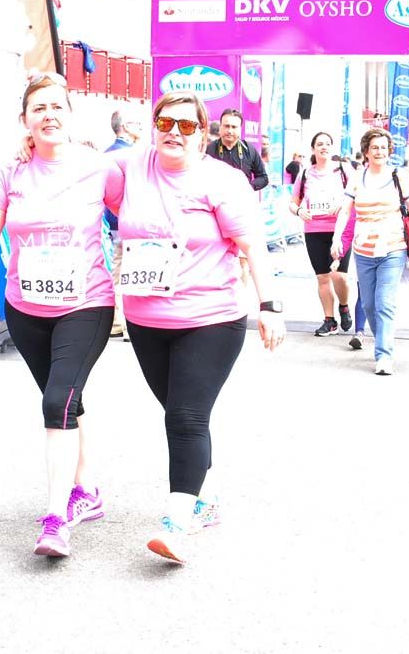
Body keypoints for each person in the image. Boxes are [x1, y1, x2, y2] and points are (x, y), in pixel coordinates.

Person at [0, 71, 124, 558]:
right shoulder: (10, 172)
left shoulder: (100, 168)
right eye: (38, 108)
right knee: (63, 402)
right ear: (25, 120)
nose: (48, 115)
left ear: (70, 115)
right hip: (25, 307)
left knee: (56, 400)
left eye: (57, 106)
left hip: (86, 304)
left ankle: (57, 518)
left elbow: (138, 219)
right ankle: (88, 491)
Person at [110, 90, 285, 564]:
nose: (174, 132)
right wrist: (30, 148)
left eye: (187, 126)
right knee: (180, 413)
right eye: (166, 123)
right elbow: (75, 171)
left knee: (185, 417)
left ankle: (176, 522)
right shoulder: (131, 167)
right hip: (147, 319)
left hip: (211, 318)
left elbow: (253, 246)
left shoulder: (223, 181)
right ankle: (203, 500)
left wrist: (269, 305)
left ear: (203, 134)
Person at [330, 128, 409, 375]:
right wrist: (336, 239)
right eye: (375, 147)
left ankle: (384, 354)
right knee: (370, 306)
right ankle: (381, 337)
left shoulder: (399, 175)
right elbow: (345, 211)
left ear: (389, 151)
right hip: (363, 248)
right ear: (366, 151)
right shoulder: (357, 177)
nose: (379, 151)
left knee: (385, 302)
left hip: (393, 247)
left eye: (384, 147)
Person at [289, 132, 353, 336]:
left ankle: (344, 305)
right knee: (323, 277)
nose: (324, 147)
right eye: (320, 144)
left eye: (327, 143)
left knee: (338, 275)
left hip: (340, 229)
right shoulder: (305, 173)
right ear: (313, 149)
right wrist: (299, 211)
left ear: (332, 147)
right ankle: (329, 320)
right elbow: (293, 202)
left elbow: (358, 195)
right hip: (314, 230)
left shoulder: (344, 170)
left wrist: (342, 203)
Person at [104, 109, 143, 340]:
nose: (140, 127)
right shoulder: (133, 157)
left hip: (112, 223)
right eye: (136, 122)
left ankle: (118, 322)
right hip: (129, 223)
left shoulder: (107, 154)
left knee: (117, 272)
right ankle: (127, 323)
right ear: (126, 126)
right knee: (130, 272)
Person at [205, 108, 269, 191]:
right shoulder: (209, 150)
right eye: (226, 126)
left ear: (240, 129)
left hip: (243, 201)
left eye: (234, 127)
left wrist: (247, 188)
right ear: (220, 127)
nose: (230, 131)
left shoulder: (249, 149)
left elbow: (263, 178)